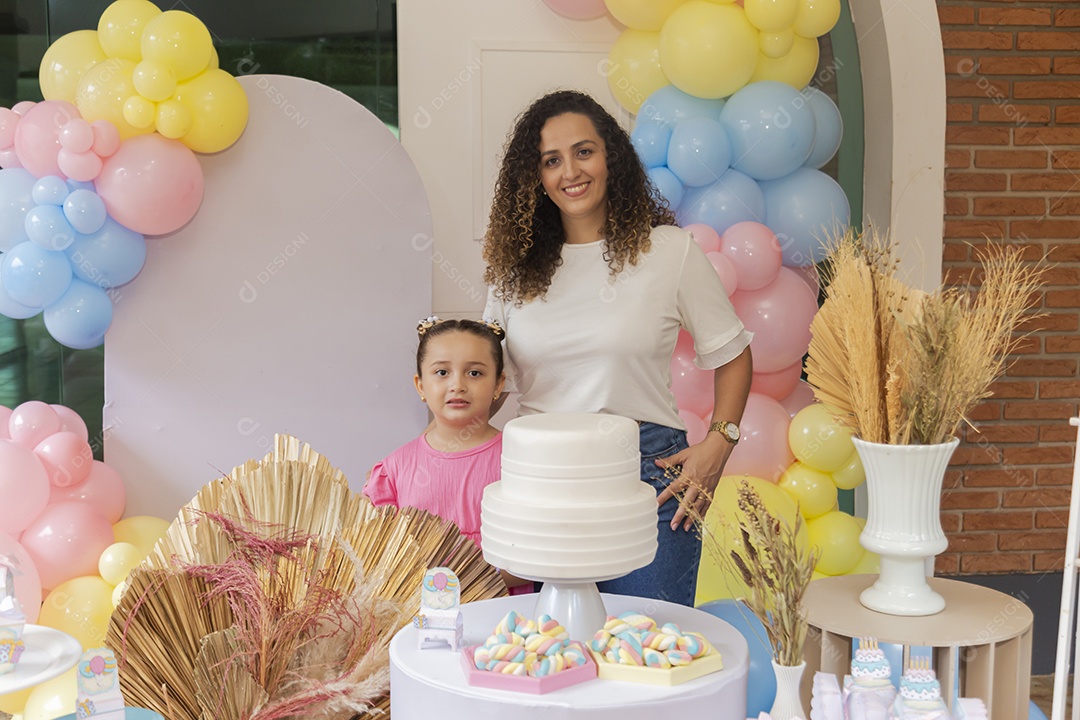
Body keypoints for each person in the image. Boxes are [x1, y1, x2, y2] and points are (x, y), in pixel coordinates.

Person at [482, 89, 753, 607]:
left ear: (612, 157)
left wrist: (720, 442)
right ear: (534, 177)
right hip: (544, 483)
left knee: (650, 650)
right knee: (557, 658)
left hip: (650, 475)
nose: (570, 171)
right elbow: (488, 381)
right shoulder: (512, 273)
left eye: (584, 151)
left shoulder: (669, 252)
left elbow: (733, 353)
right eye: (551, 160)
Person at [363, 317, 530, 592]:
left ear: (499, 384)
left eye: (474, 373)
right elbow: (375, 554)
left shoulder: (518, 463)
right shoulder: (394, 469)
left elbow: (538, 553)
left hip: (502, 618)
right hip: (419, 619)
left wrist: (467, 584)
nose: (458, 385)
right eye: (442, 373)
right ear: (420, 386)